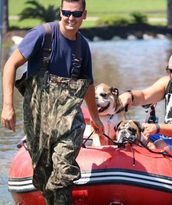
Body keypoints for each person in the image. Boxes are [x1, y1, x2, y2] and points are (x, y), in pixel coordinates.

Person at [1, 0, 103, 204]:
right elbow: (10, 65)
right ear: (60, 12)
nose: (70, 18)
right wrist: (7, 106)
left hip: (69, 123)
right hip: (38, 121)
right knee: (43, 177)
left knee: (63, 171)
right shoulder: (42, 35)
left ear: (84, 14)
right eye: (66, 13)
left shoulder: (82, 46)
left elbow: (88, 86)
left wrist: (95, 118)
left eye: (76, 14)